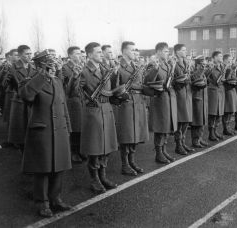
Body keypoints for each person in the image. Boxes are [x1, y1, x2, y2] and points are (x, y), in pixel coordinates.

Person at [19, 50, 72, 217]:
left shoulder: (57, 81)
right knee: (43, 169)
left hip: (60, 129)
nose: (54, 66)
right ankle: (42, 203)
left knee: (59, 167)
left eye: (55, 62)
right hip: (42, 130)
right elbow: (26, 96)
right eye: (50, 63)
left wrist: (68, 127)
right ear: (41, 65)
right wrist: (42, 76)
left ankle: (55, 198)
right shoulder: (31, 81)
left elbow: (63, 105)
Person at [71, 42, 118, 193]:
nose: (101, 54)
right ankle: (94, 179)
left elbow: (110, 90)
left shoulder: (104, 69)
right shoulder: (84, 71)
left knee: (107, 147)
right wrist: (75, 77)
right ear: (89, 55)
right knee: (95, 148)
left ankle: (103, 176)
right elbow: (73, 91)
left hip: (106, 110)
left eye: (101, 52)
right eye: (98, 52)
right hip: (94, 112)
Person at [111, 41, 153, 176]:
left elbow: (141, 84)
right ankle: (125, 164)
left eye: (136, 50)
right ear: (124, 52)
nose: (135, 52)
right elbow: (114, 89)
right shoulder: (118, 67)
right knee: (127, 134)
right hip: (126, 103)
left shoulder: (136, 66)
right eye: (132, 50)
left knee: (136, 134)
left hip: (138, 102)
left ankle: (132, 161)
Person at [144, 42, 177, 164]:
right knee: (160, 127)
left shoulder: (168, 65)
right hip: (159, 99)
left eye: (168, 51)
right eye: (165, 51)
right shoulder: (153, 64)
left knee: (167, 126)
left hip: (167, 98)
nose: (167, 53)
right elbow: (147, 81)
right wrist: (155, 69)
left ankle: (163, 150)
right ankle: (158, 153)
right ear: (158, 52)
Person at [5, 45, 37, 152]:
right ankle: (22, 151)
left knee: (31, 129)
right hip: (20, 101)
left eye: (30, 54)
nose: (29, 56)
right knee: (21, 129)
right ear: (20, 55)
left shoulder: (33, 67)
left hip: (32, 100)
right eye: (26, 54)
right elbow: (13, 84)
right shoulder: (13, 67)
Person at [62, 46, 84, 163]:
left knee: (81, 127)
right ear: (70, 56)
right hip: (73, 101)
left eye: (80, 53)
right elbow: (67, 88)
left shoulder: (83, 66)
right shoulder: (65, 68)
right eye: (76, 54)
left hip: (82, 99)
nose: (79, 56)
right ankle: (73, 152)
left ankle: (80, 150)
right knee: (75, 127)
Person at [172, 44, 194, 155]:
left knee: (186, 120)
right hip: (179, 94)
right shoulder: (174, 63)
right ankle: (178, 145)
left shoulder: (186, 63)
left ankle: (183, 142)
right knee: (180, 121)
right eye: (183, 50)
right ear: (177, 52)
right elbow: (172, 80)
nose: (186, 52)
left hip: (187, 93)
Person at [190, 56, 208, 147]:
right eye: (202, 65)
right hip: (197, 99)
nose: (204, 67)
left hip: (203, 99)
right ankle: (195, 140)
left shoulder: (203, 74)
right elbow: (195, 84)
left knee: (202, 120)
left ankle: (200, 138)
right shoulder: (194, 74)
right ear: (197, 65)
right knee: (197, 120)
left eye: (205, 65)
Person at [207, 51, 225, 142]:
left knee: (219, 113)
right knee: (213, 113)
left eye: (222, 56)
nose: (221, 57)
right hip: (213, 91)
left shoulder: (222, 66)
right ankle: (211, 132)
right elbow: (214, 79)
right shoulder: (211, 67)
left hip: (220, 91)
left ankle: (215, 130)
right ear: (214, 58)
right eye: (220, 56)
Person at [222, 54, 237, 135]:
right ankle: (225, 128)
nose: (231, 61)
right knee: (227, 110)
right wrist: (230, 69)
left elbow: (233, 78)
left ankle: (228, 127)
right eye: (229, 60)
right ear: (225, 60)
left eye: (231, 60)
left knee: (231, 111)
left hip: (232, 89)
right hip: (227, 90)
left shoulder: (230, 68)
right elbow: (225, 79)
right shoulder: (225, 68)